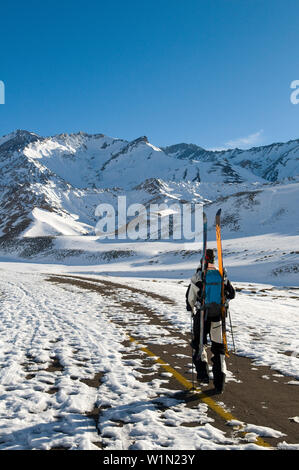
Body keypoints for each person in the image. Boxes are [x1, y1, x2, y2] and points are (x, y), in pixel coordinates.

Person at [186, 248, 235, 393]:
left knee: (199, 344)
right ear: (214, 260)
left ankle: (203, 375)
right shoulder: (221, 275)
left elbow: (190, 299)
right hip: (219, 317)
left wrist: (191, 308)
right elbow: (232, 294)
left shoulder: (198, 276)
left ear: (202, 260)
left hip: (202, 317)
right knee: (219, 348)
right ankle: (220, 383)